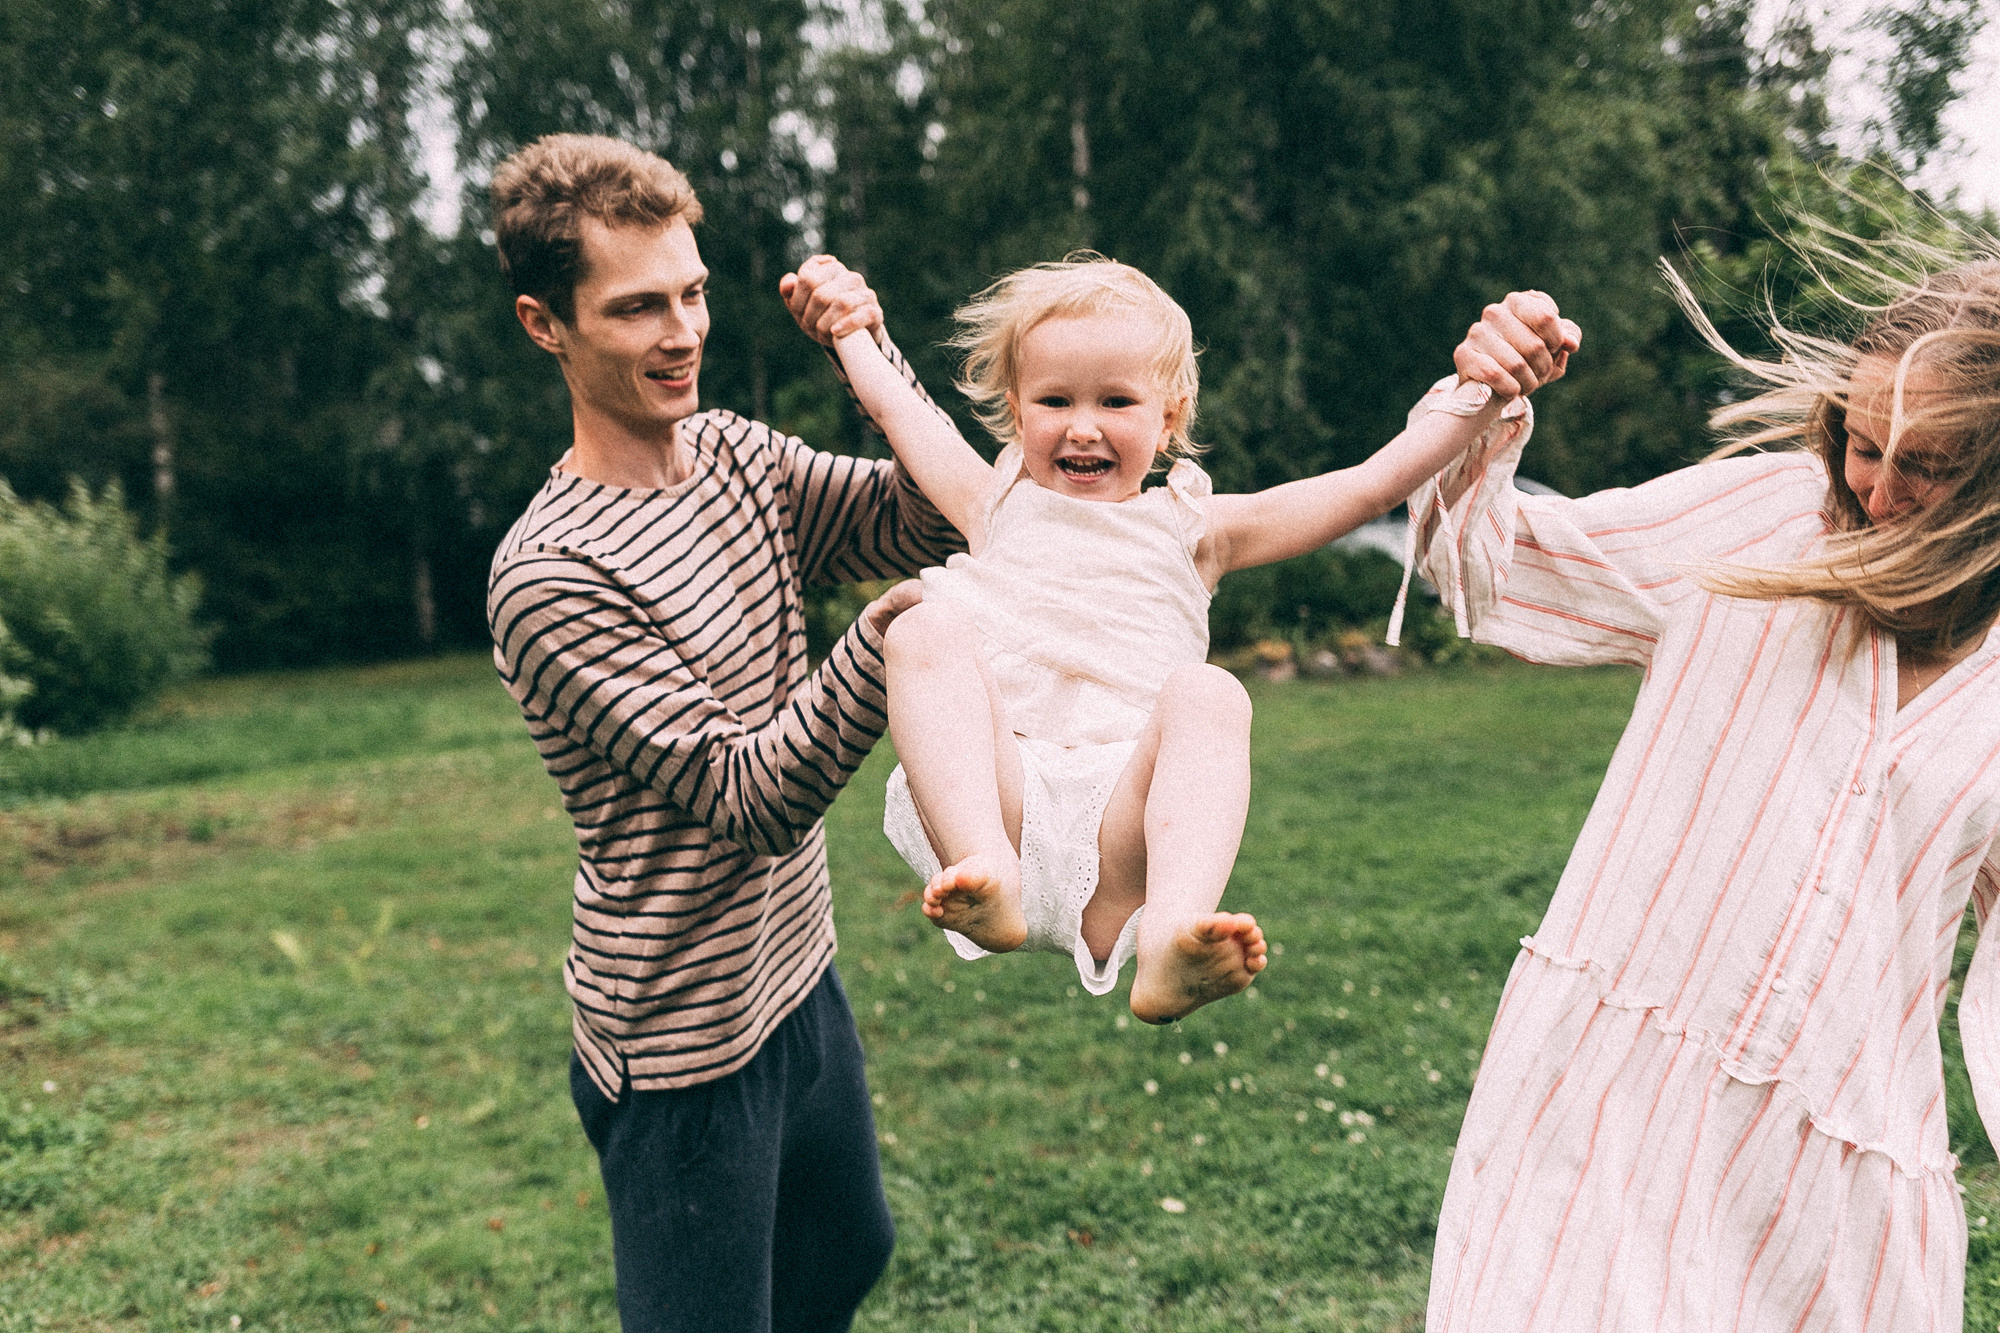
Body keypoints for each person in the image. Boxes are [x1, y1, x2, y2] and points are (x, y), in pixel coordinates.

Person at [1413, 253, 2000, 1329]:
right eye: (1858, 444)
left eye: (1922, 464)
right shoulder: (1765, 519)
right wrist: (1480, 405)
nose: (1871, 487)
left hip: (1840, 1176)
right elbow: (1485, 561)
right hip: (1610, 1108)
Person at [829, 255, 1578, 1023]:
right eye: (1055, 400)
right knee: (922, 625)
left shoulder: (1197, 531)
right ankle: (984, 867)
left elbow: (1368, 485)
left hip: (1125, 820)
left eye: (1116, 400)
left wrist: (1488, 392)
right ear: (1019, 414)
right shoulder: (994, 502)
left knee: (1210, 691)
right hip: (997, 801)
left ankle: (1169, 940)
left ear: (1169, 416)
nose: (1083, 424)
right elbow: (900, 411)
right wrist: (846, 324)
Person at [484, 133, 962, 1333]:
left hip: (798, 973)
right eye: (637, 307)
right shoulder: (550, 575)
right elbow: (748, 795)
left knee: (844, 1254)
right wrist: (894, 638)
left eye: (692, 292)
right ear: (546, 324)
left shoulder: (739, 457)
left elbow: (925, 514)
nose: (683, 331)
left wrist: (867, 349)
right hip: (680, 1040)